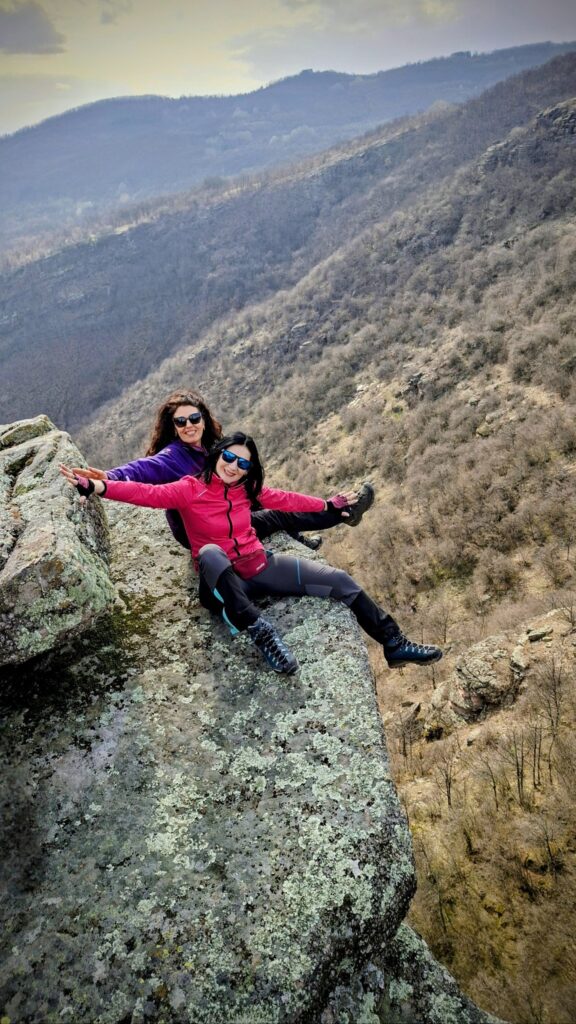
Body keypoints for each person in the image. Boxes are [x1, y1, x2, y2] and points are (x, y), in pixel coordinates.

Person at [60, 432, 442, 676]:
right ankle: (263, 634)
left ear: (248, 471)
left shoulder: (246, 492)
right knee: (209, 552)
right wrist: (97, 486)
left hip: (259, 567)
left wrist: (327, 505)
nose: (234, 466)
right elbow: (146, 494)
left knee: (341, 582)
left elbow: (289, 500)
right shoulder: (188, 488)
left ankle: (393, 643)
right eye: (229, 457)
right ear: (217, 455)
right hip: (221, 585)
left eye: (243, 463)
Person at [81, 389, 375, 550]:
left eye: (194, 418)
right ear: (172, 427)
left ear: (204, 418)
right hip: (200, 531)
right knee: (275, 512)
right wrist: (109, 478)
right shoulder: (172, 457)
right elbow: (142, 469)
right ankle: (342, 514)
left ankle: (299, 536)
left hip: (221, 513)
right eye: (180, 422)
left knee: (261, 499)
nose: (189, 426)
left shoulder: (214, 446)